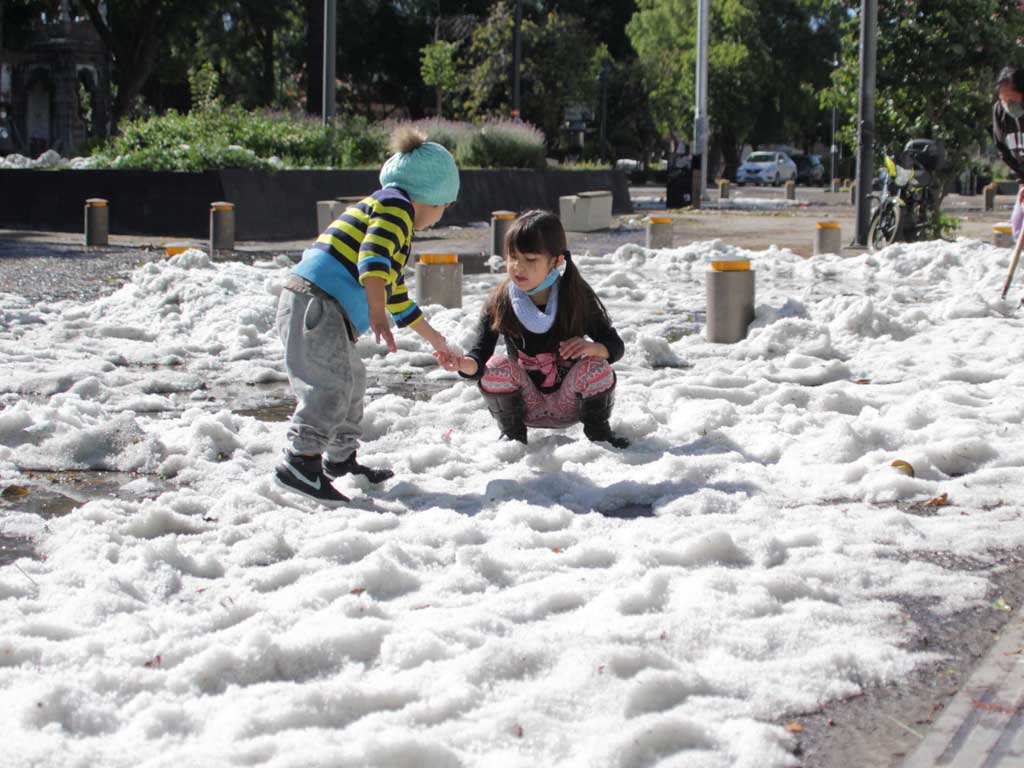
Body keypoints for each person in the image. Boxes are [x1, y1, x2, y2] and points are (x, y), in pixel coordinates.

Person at [274, 126, 459, 505]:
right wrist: (375, 310)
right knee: (331, 386)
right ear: (430, 194)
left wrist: (434, 338)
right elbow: (371, 258)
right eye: (444, 206)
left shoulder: (393, 214)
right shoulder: (396, 207)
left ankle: (339, 460)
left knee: (351, 381)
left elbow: (395, 294)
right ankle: (300, 461)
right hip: (317, 303)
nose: (440, 216)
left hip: (319, 305)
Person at [438, 210, 629, 449]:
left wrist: (594, 348)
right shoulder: (501, 300)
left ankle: (600, 436)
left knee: (598, 367)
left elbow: (616, 347)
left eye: (530, 259)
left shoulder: (576, 296)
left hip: (569, 403)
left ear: (556, 261)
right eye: (513, 257)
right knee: (496, 367)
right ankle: (513, 438)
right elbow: (480, 355)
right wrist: (462, 364)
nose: (518, 267)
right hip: (527, 405)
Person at [993, 66, 1024, 242]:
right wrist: (1022, 182)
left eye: (1012, 99)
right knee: (1018, 227)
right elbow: (1003, 149)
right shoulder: (1000, 112)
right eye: (1004, 100)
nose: (1008, 105)